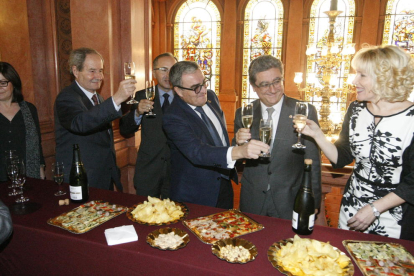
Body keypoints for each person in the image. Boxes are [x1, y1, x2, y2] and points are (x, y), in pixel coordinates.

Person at [299, 45, 414, 240]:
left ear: (385, 78)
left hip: (395, 215)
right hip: (353, 208)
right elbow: (341, 156)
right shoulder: (356, 109)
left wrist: (375, 209)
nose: (354, 81)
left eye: (362, 75)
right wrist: (317, 135)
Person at [163, 61, 270, 208]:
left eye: (204, 83)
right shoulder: (173, 116)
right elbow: (197, 152)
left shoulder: (211, 97)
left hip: (224, 183)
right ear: (179, 91)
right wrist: (240, 151)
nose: (203, 91)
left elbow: (218, 140)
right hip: (195, 194)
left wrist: (237, 142)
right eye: (195, 88)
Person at [233, 55, 321, 219]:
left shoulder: (304, 111)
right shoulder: (244, 113)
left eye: (277, 81)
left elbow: (313, 160)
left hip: (290, 199)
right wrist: (238, 143)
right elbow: (235, 159)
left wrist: (313, 199)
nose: (273, 89)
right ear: (254, 87)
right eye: (265, 85)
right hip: (252, 199)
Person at [54, 48, 136, 190]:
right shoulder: (66, 97)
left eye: (101, 70)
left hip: (103, 176)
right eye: (92, 71)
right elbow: (79, 123)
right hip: (81, 178)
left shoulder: (98, 98)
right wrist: (116, 99)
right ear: (75, 71)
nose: (99, 76)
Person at [120, 53, 177, 198]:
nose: (168, 75)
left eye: (172, 70)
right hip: (148, 172)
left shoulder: (185, 98)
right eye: (163, 69)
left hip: (177, 173)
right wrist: (137, 113)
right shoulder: (140, 97)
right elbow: (124, 129)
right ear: (154, 73)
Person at [0, 62, 45, 181]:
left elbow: (36, 143)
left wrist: (40, 168)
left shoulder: (29, 110)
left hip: (26, 176)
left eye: (3, 83)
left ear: (13, 83)